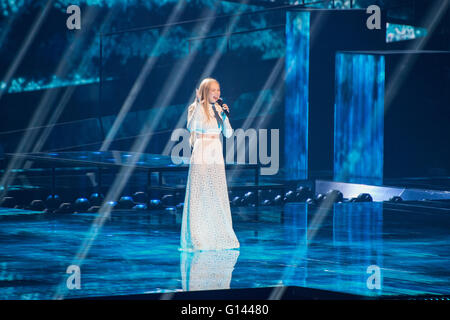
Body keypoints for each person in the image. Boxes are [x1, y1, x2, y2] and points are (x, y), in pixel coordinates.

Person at [180, 77, 240, 251]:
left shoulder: (219, 110)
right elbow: (191, 127)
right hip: (201, 152)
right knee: (200, 194)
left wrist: (224, 116)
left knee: (216, 194)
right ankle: (198, 237)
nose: (216, 93)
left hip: (216, 153)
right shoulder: (197, 108)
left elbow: (228, 134)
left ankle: (217, 236)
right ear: (206, 91)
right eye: (213, 90)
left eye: (218, 90)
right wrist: (200, 104)